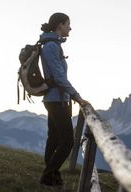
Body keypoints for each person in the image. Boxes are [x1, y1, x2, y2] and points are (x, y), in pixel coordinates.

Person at [39, 12, 89, 186]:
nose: (70, 27)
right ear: (59, 25)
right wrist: (77, 96)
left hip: (55, 99)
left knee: (53, 138)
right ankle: (48, 176)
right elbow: (59, 77)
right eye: (68, 24)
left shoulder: (51, 44)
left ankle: (52, 176)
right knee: (68, 141)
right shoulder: (52, 46)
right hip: (56, 99)